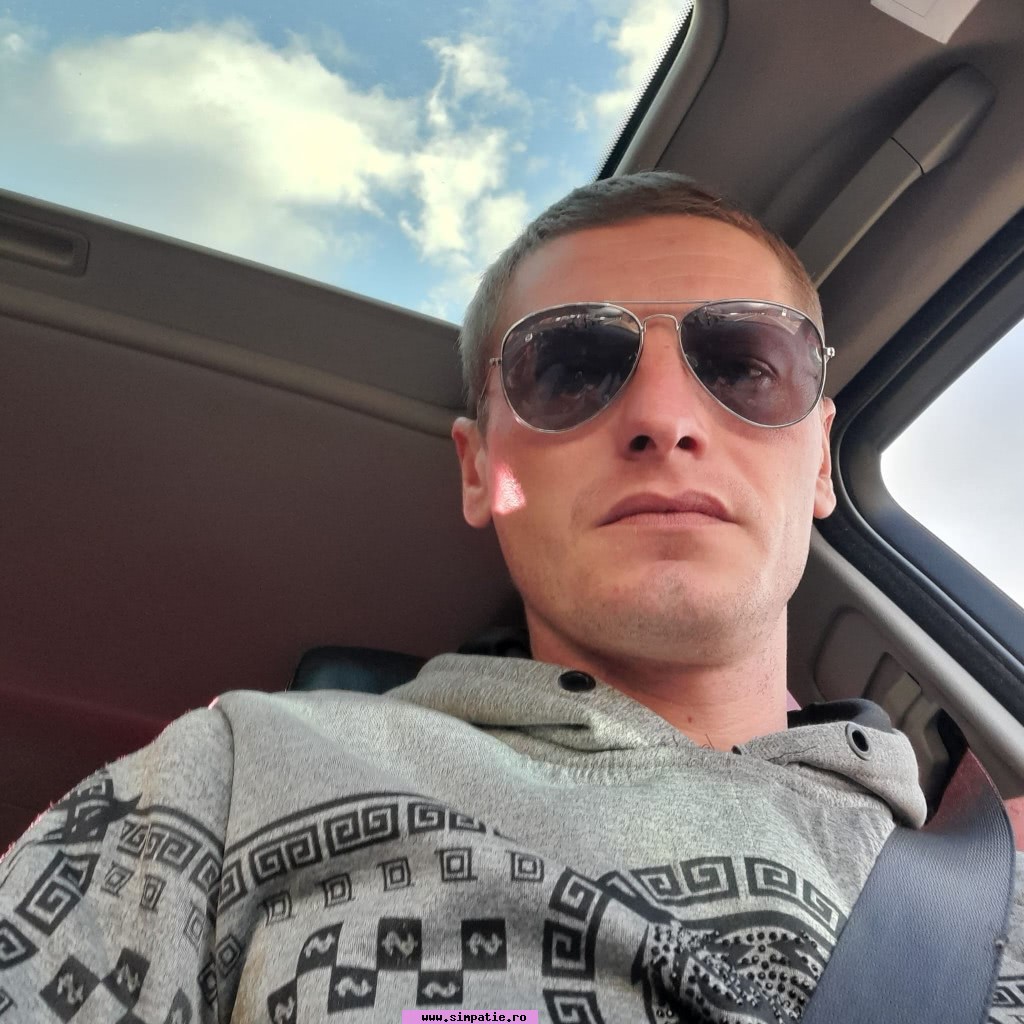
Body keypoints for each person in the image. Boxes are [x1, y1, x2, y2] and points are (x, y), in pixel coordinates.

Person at [0, 171, 1020, 1023]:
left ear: (821, 461)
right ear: (481, 470)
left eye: (746, 367)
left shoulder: (991, 881)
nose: (664, 418)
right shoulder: (234, 774)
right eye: (571, 370)